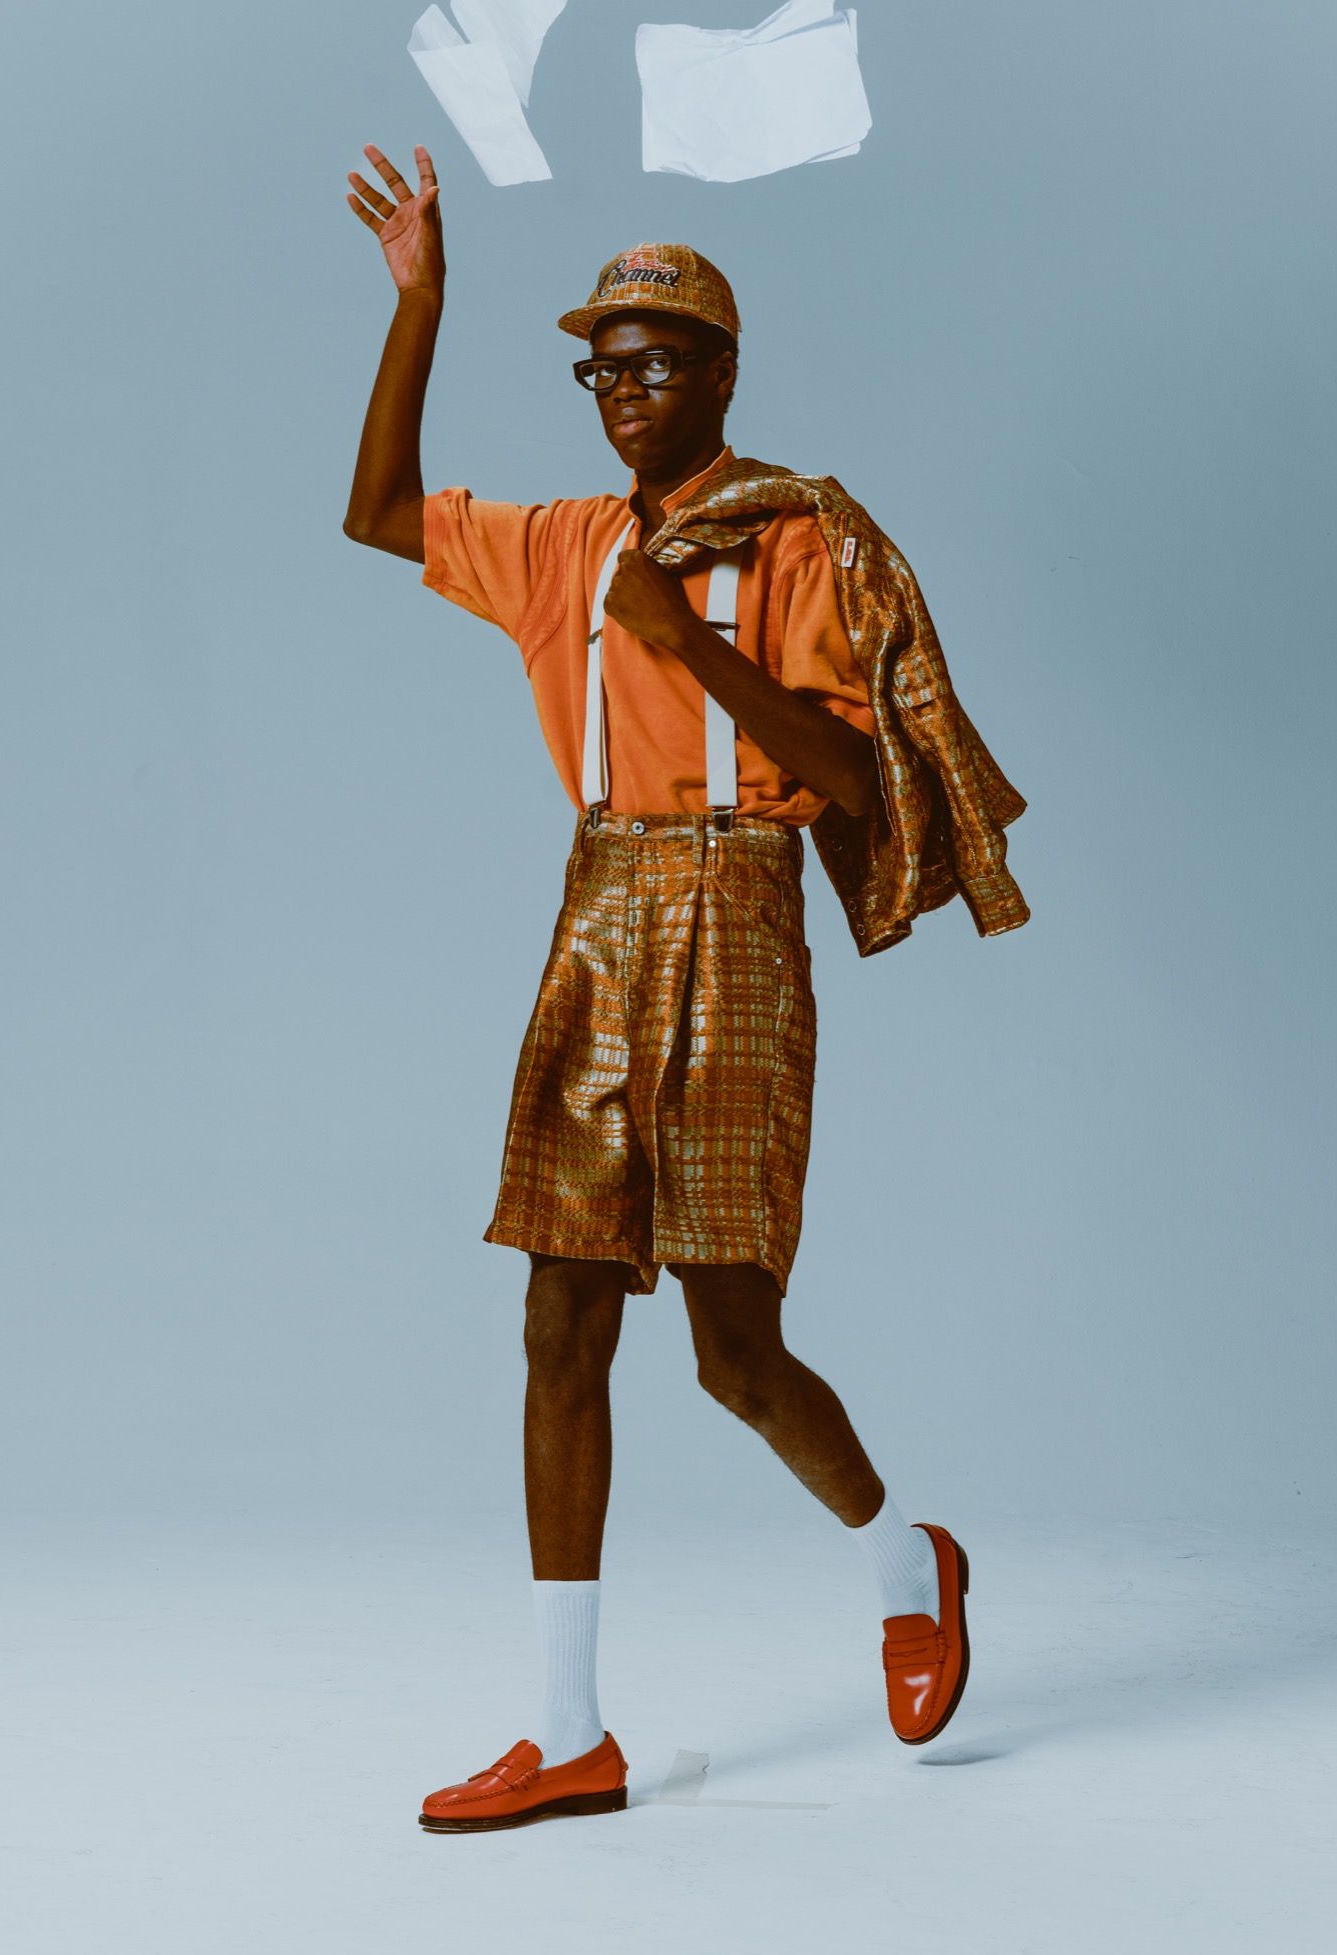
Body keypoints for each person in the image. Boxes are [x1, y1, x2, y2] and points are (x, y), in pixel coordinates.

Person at [343, 142, 972, 1835]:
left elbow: (856, 782)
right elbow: (380, 513)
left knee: (734, 1354)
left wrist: (690, 644)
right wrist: (421, 306)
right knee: (558, 1313)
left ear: (723, 372)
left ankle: (908, 1560)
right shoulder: (561, 545)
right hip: (603, 907)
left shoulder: (797, 539)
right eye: (603, 370)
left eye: (658, 365)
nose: (625, 393)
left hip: (743, 910)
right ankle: (570, 1732)